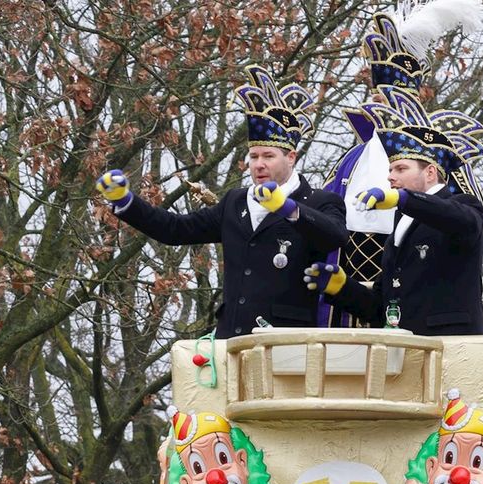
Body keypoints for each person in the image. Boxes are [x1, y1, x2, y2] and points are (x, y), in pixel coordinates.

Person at [96, 65, 346, 338]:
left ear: (291, 158)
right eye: (253, 156)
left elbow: (335, 236)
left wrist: (289, 209)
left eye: (268, 156)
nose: (259, 164)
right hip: (232, 339)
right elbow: (174, 229)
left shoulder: (319, 200)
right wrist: (126, 201)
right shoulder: (235, 202)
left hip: (286, 345)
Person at [324, 8, 483, 328]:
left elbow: (467, 221)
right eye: (378, 99)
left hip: (436, 316)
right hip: (370, 310)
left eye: (392, 99)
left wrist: (404, 200)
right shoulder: (352, 159)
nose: (383, 108)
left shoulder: (438, 156)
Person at [306, 85, 483, 336]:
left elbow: (462, 221)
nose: (390, 177)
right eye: (390, 170)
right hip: (405, 352)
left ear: (430, 172)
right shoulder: (401, 223)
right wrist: (340, 287)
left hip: (452, 351)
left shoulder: (465, 207)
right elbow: (380, 308)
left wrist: (403, 199)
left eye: (400, 169)